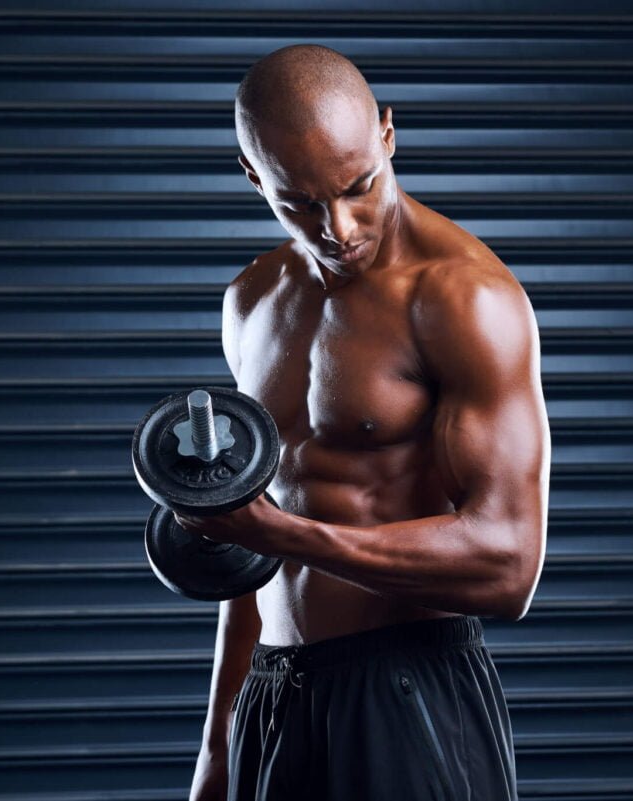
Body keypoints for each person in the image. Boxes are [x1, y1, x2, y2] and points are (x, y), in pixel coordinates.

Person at [172, 43, 551, 800]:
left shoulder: (465, 298)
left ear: (388, 134)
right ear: (254, 177)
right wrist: (217, 746)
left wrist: (281, 534)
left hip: (409, 696)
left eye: (358, 187)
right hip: (274, 698)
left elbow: (510, 565)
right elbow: (249, 542)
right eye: (301, 204)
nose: (338, 227)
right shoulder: (252, 300)